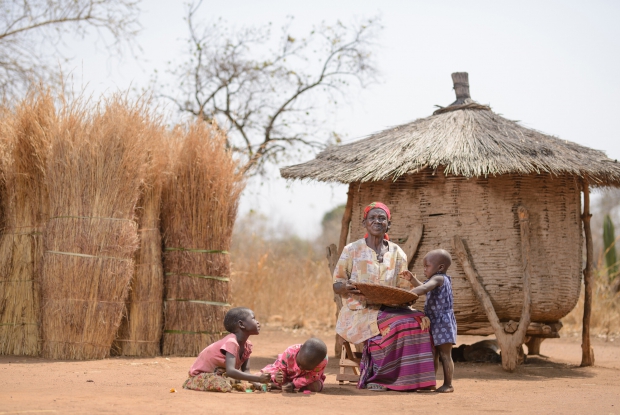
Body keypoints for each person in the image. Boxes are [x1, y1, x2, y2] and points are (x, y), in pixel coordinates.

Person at [333, 201, 436, 392]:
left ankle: (414, 380)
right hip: (360, 312)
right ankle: (379, 378)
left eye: (382, 218)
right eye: (372, 217)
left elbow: (404, 288)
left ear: (388, 223)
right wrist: (346, 286)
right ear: (365, 222)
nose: (377, 221)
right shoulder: (352, 250)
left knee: (420, 320)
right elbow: (337, 284)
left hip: (391, 309)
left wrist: (406, 297)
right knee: (396, 325)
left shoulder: (397, 253)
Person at [182, 307, 271, 392]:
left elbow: (246, 371)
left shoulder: (248, 345)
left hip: (219, 374)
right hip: (199, 376)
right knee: (223, 384)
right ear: (241, 324)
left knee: (242, 381)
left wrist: (257, 383)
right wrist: (258, 379)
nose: (258, 322)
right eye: (253, 319)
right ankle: (192, 384)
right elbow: (231, 371)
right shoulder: (231, 342)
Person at [408, 249, 457, 393]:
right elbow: (423, 287)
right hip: (434, 321)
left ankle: (448, 384)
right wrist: (412, 279)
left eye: (427, 266)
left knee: (445, 355)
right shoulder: (435, 280)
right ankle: (430, 383)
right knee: (433, 354)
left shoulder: (439, 278)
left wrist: (406, 295)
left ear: (440, 267)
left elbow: (423, 289)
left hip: (443, 323)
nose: (424, 269)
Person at [261, 338, 328, 393]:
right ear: (299, 351)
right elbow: (280, 368)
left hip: (305, 378)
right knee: (265, 375)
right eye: (299, 363)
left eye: (306, 368)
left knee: (316, 386)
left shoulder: (322, 361)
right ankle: (278, 385)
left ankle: (279, 386)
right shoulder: (290, 352)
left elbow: (312, 376)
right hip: (287, 374)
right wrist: (278, 377)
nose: (300, 368)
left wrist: (294, 385)